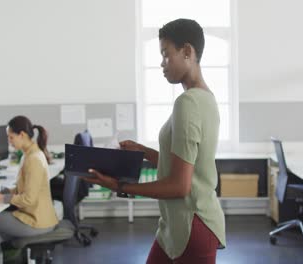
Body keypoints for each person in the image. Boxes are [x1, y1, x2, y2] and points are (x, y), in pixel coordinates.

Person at [83, 18, 225, 263]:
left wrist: (119, 186)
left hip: (191, 224)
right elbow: (186, 164)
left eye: (166, 54)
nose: (162, 63)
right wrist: (144, 151)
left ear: (188, 51)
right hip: (176, 224)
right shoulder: (205, 98)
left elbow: (179, 185)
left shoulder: (188, 102)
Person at [0, 115, 58, 264]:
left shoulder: (34, 159)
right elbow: (21, 189)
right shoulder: (29, 154)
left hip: (38, 222)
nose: (9, 142)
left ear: (21, 135)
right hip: (35, 218)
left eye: (11, 138)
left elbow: (28, 199)